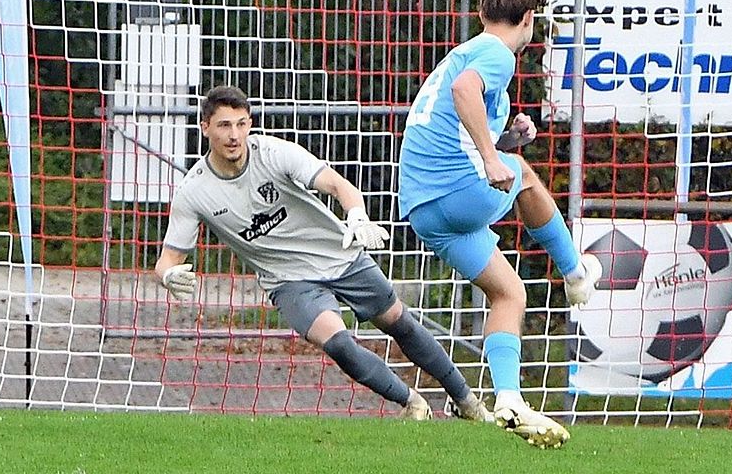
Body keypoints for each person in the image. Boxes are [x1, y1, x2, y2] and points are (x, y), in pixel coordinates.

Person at [155, 85, 491, 422]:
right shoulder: (194, 191)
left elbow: (337, 184)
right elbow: (167, 260)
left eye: (241, 124)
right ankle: (412, 403)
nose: (234, 135)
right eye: (224, 125)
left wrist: (357, 216)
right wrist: (168, 275)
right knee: (339, 344)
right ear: (205, 127)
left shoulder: (274, 153)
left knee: (400, 324)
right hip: (289, 282)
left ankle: (466, 401)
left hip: (340, 255)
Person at [398, 0, 598, 448]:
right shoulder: (495, 53)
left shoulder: (464, 51)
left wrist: (502, 143)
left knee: (509, 293)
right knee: (525, 175)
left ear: (483, 12)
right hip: (454, 191)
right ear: (528, 19)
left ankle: (508, 398)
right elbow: (465, 91)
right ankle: (574, 272)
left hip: (423, 208)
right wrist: (494, 158)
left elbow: (458, 124)